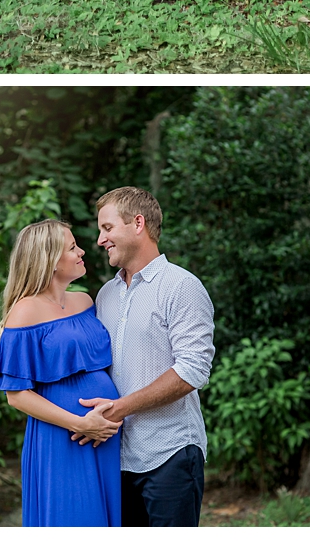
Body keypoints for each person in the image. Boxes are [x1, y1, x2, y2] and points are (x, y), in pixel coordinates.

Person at [81, 186, 215, 526]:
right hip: (116, 457)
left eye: (107, 228)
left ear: (137, 223)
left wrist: (120, 408)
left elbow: (192, 370)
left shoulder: (181, 286)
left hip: (169, 453)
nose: (100, 240)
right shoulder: (106, 294)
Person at [0, 218, 122, 527]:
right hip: (66, 436)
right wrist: (82, 423)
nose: (82, 251)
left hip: (105, 435)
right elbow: (17, 395)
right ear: (49, 260)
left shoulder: (86, 301)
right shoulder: (24, 312)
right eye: (73, 247)